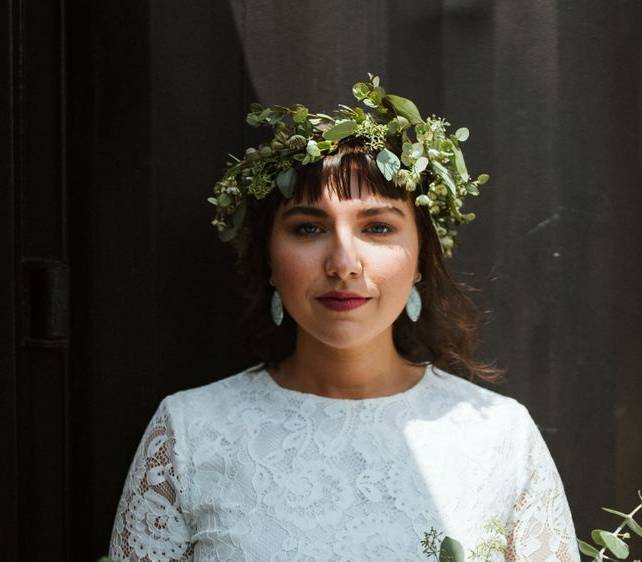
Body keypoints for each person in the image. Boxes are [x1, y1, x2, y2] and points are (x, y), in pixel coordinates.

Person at [107, 75, 579, 561]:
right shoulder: (190, 432)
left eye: (377, 228)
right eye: (309, 228)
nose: (343, 263)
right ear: (269, 258)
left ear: (420, 259)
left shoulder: (500, 437)